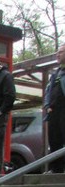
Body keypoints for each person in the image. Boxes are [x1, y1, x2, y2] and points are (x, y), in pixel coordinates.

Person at [43, 44, 65, 174]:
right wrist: (47, 105)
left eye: (61, 52)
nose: (57, 54)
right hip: (54, 111)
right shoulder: (55, 73)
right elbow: (48, 90)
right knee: (54, 139)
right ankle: (56, 168)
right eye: (57, 52)